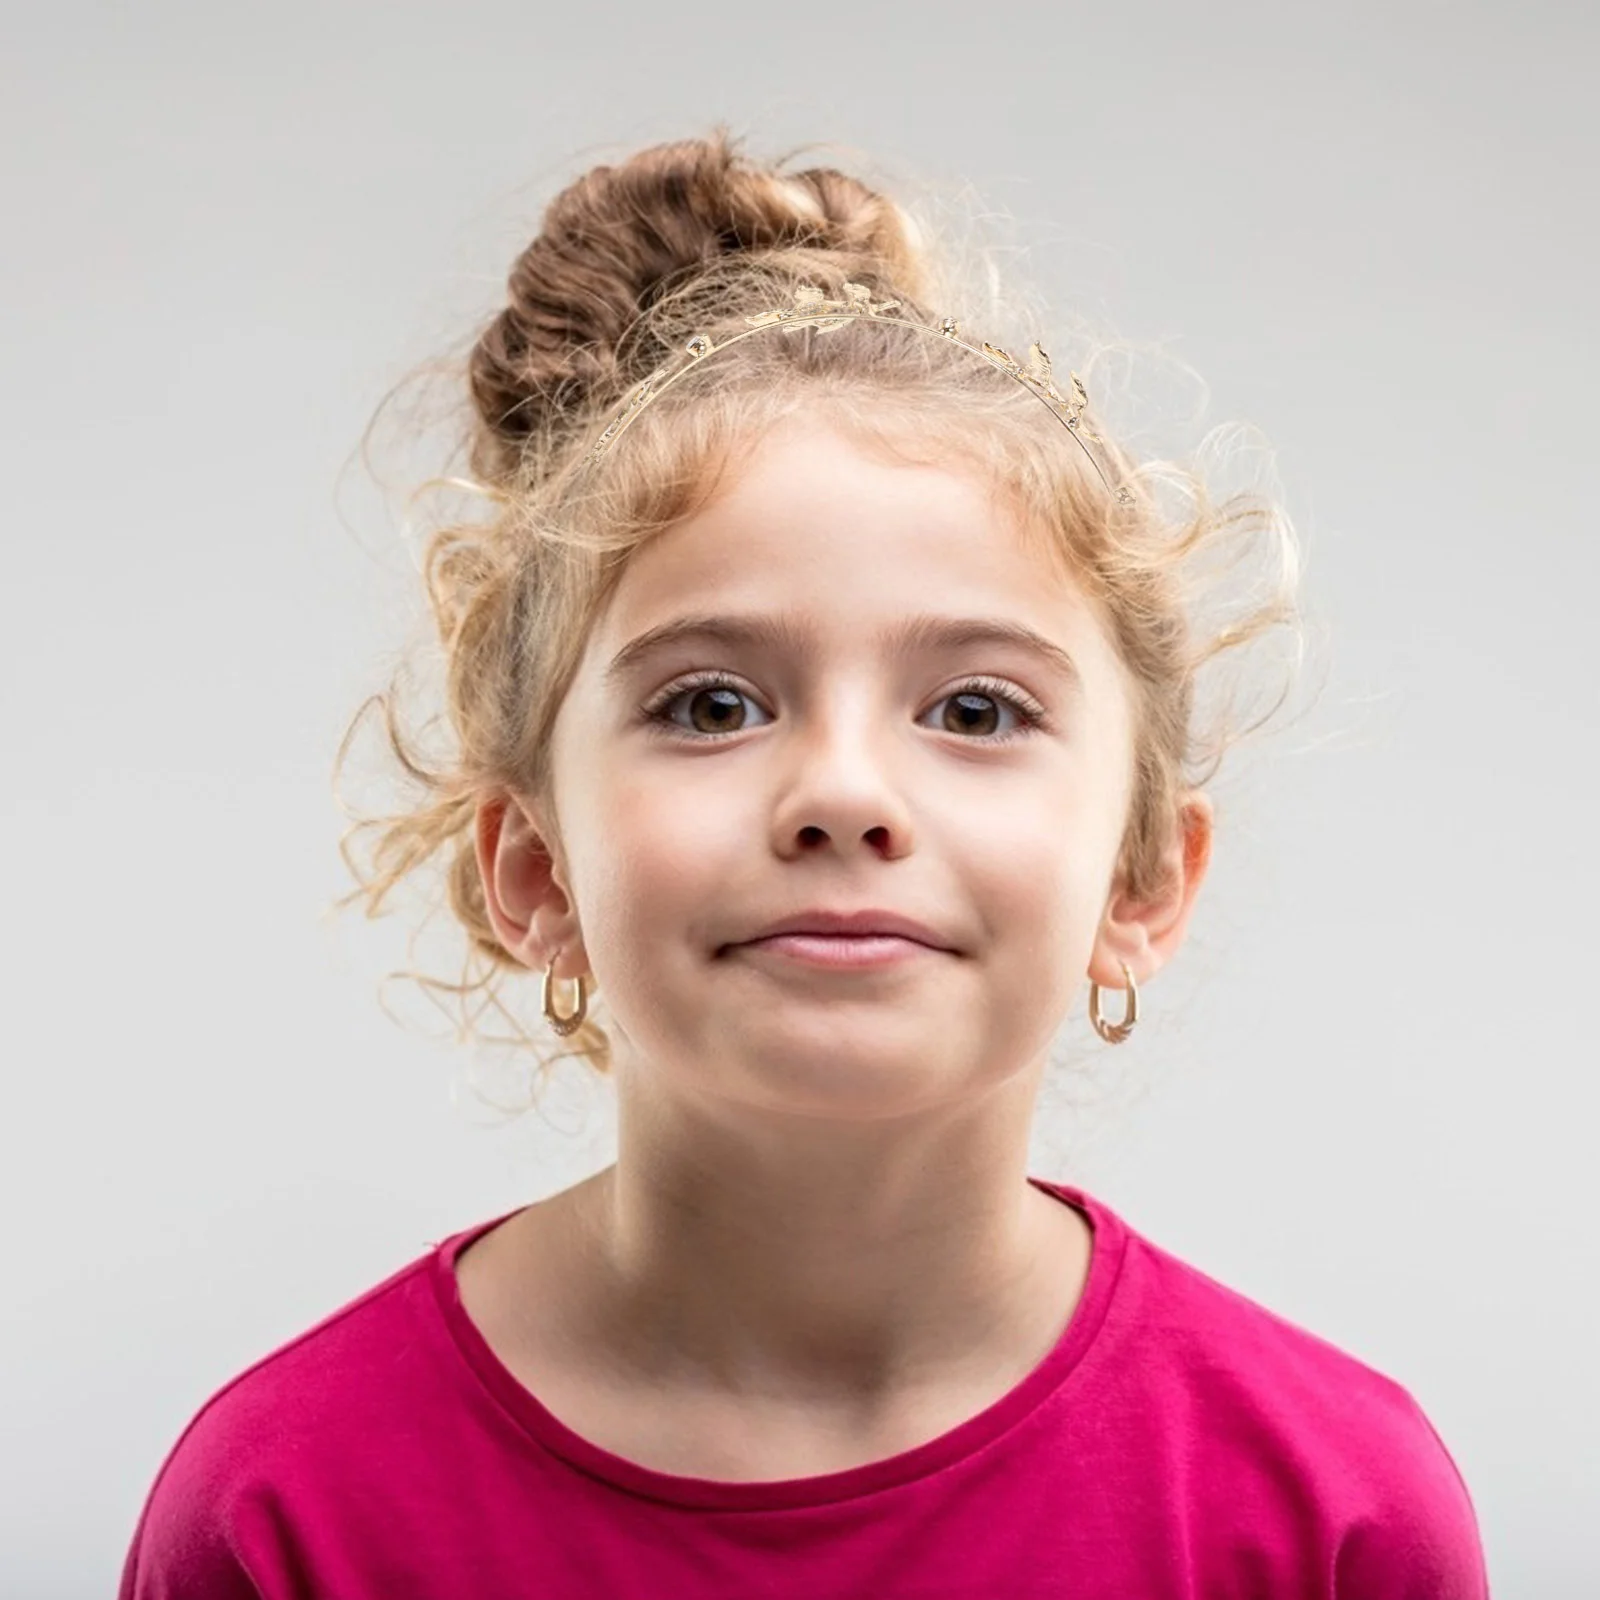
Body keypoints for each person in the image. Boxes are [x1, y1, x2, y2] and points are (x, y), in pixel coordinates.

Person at [119, 127, 1491, 1597]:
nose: (842, 793)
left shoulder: (1333, 1519)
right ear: (535, 871)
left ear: (1142, 879)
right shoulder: (287, 1511)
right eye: (712, 704)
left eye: (976, 709)